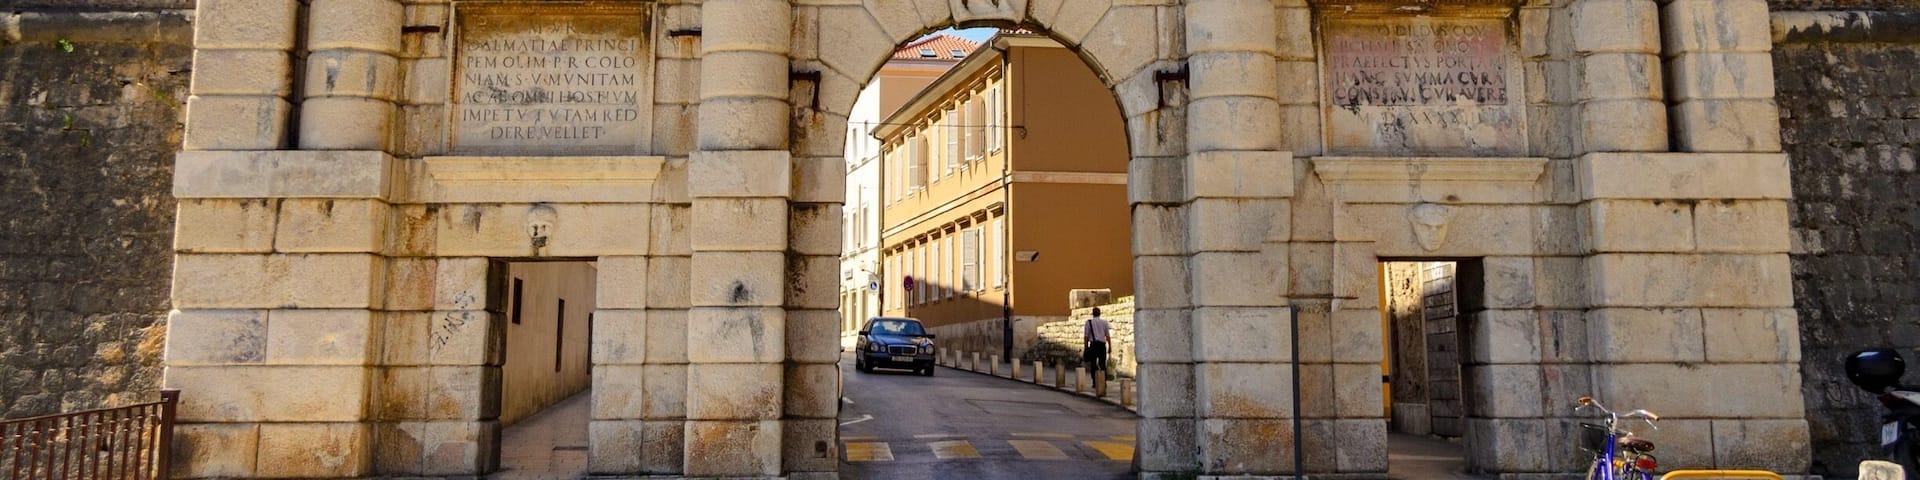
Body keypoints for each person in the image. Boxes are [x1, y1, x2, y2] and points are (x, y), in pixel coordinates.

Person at [1083, 307, 1111, 397]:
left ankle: (1095, 382)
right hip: (1102, 345)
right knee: (1103, 364)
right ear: (1100, 313)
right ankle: (1104, 382)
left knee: (1093, 364)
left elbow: (1086, 336)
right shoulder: (1104, 322)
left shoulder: (1089, 323)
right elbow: (1107, 335)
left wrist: (1086, 347)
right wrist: (1110, 346)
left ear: (1093, 313)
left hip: (1093, 344)